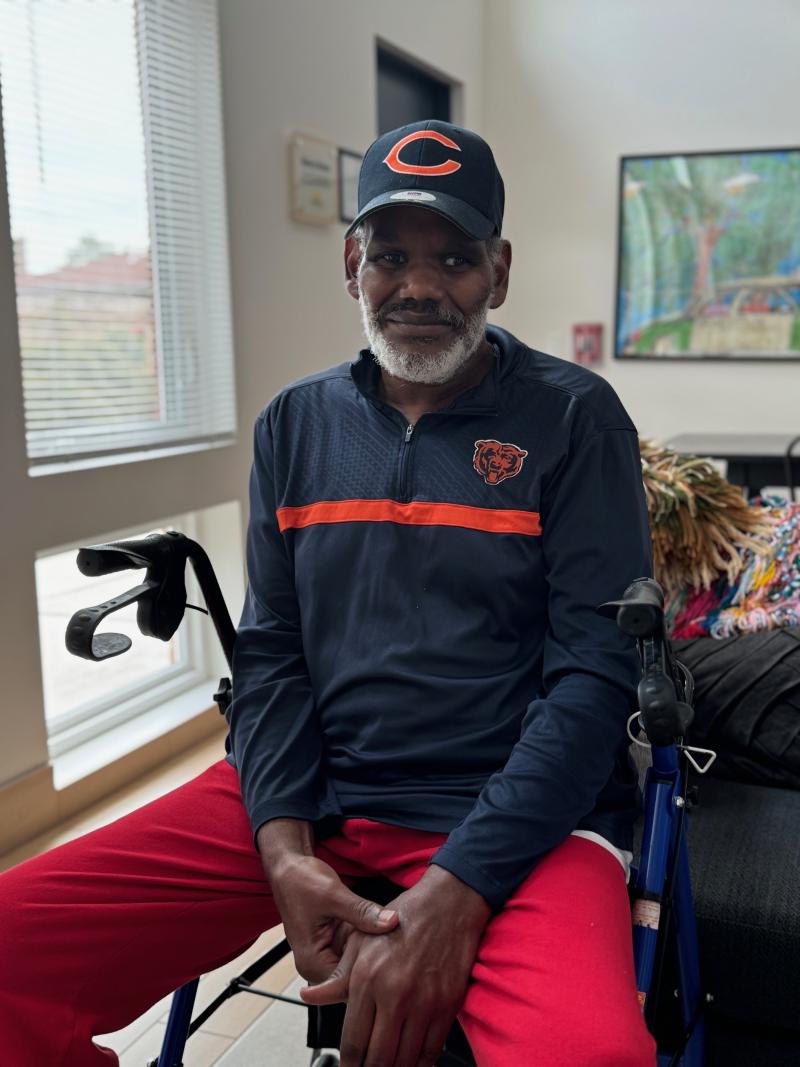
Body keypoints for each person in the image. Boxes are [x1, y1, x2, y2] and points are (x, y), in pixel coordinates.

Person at [0, 120, 656, 1067]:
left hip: (520, 819)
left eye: (455, 259)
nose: (421, 286)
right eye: (391, 255)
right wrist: (282, 846)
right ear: (353, 264)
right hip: (314, 796)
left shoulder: (572, 417)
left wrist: (460, 885)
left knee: (589, 1055)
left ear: (500, 272)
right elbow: (270, 658)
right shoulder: (295, 425)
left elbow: (597, 679)